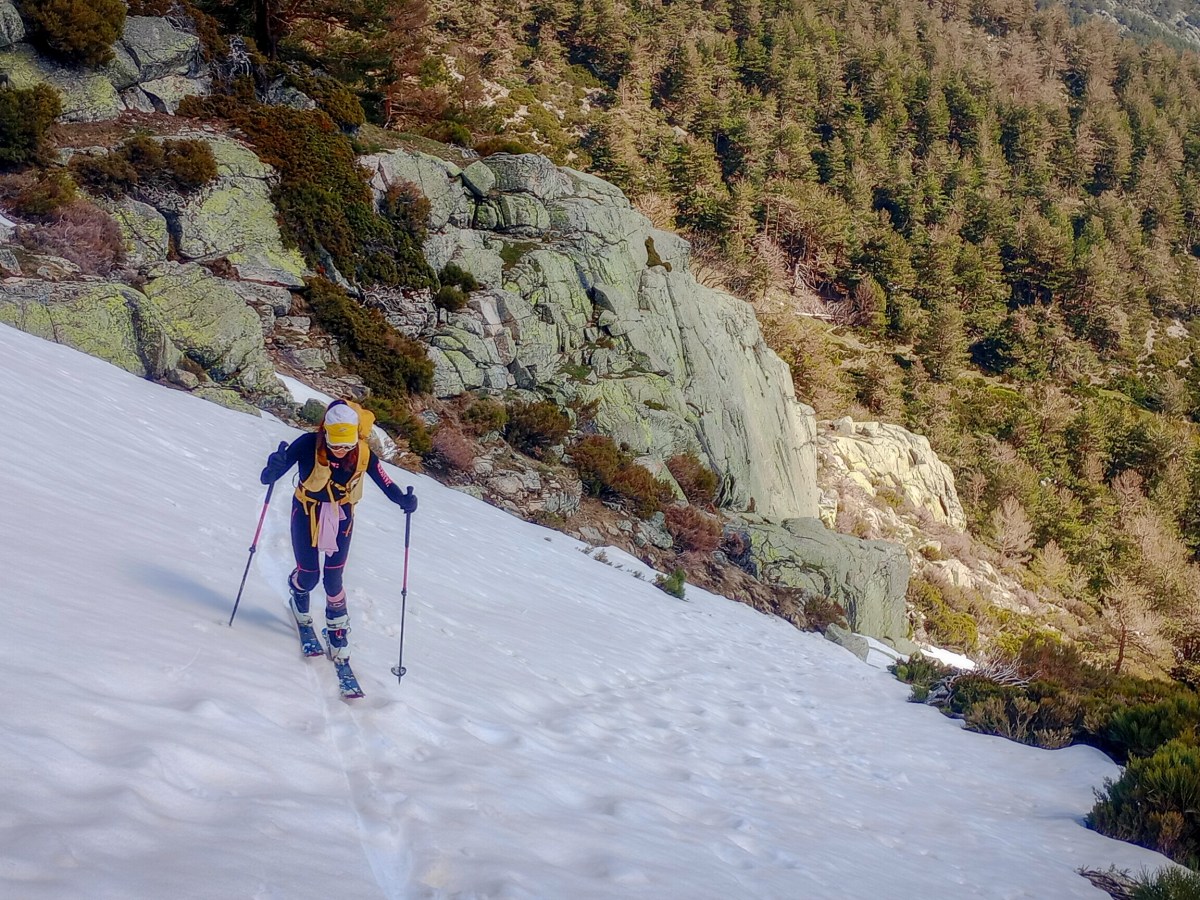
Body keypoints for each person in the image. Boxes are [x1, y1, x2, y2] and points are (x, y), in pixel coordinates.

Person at [260, 399, 417, 662]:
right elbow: (268, 478)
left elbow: (384, 480)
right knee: (309, 577)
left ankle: (337, 629)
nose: (342, 451)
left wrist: (404, 500)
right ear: (325, 434)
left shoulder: (363, 453)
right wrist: (273, 465)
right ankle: (298, 592)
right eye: (335, 445)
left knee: (333, 580)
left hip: (342, 515)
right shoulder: (308, 444)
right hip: (307, 512)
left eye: (348, 445)